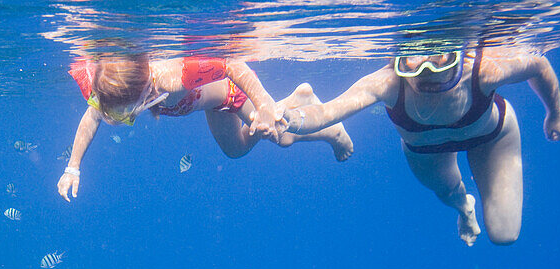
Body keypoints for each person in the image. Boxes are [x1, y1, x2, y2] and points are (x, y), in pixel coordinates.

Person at [280, 46, 560, 245]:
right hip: (426, 152)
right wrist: (290, 119)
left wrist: (556, 111)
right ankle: (464, 209)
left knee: (504, 234)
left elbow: (537, 64)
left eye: (439, 59)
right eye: (415, 61)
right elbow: (328, 112)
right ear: (400, 60)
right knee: (448, 192)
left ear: (457, 55)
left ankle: (466, 206)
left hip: (492, 136)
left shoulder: (483, 71)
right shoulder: (388, 83)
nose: (427, 68)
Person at [57, 54, 354, 202]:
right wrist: (73, 167)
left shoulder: (172, 77)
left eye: (122, 114)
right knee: (236, 150)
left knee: (281, 135)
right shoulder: (110, 87)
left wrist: (263, 104)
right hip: (211, 104)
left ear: (143, 92)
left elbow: (232, 64)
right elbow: (92, 116)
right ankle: (297, 99)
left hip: (230, 93)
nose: (113, 119)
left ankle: (332, 131)